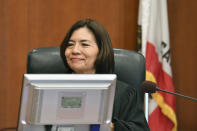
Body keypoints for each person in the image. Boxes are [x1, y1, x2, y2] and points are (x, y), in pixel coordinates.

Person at [59, 19, 150, 131]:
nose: (75, 50)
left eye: (84, 44)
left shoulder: (123, 93)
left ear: (101, 51)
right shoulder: (49, 87)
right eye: (70, 44)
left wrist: (109, 127)